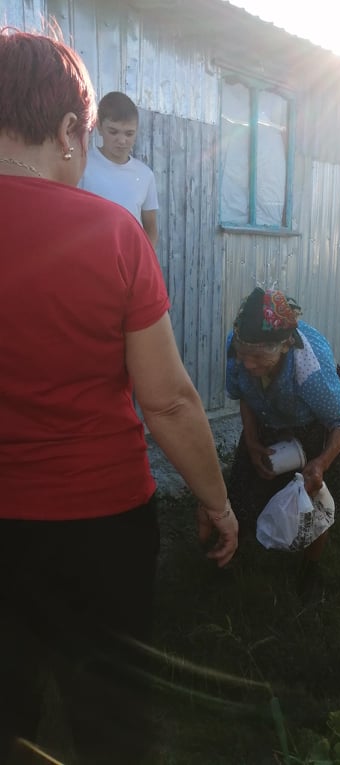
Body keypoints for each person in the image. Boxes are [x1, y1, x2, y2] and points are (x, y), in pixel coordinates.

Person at [0, 26, 237, 764]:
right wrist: (218, 502)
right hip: (100, 527)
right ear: (71, 130)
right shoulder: (112, 232)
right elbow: (167, 401)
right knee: (111, 722)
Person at [226, 287, 340, 597]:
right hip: (267, 420)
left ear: (284, 346)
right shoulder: (238, 349)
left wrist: (320, 463)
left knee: (312, 504)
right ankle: (231, 554)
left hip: (313, 428)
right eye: (244, 355)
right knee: (243, 489)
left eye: (259, 357)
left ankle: (310, 568)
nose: (248, 364)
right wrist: (252, 442)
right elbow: (245, 395)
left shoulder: (310, 370)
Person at [80, 90, 159, 247]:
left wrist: (146, 259)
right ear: (99, 126)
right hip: (90, 257)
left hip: (130, 259)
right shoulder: (81, 165)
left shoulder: (145, 175)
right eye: (113, 132)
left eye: (129, 133)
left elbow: (151, 228)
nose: (122, 140)